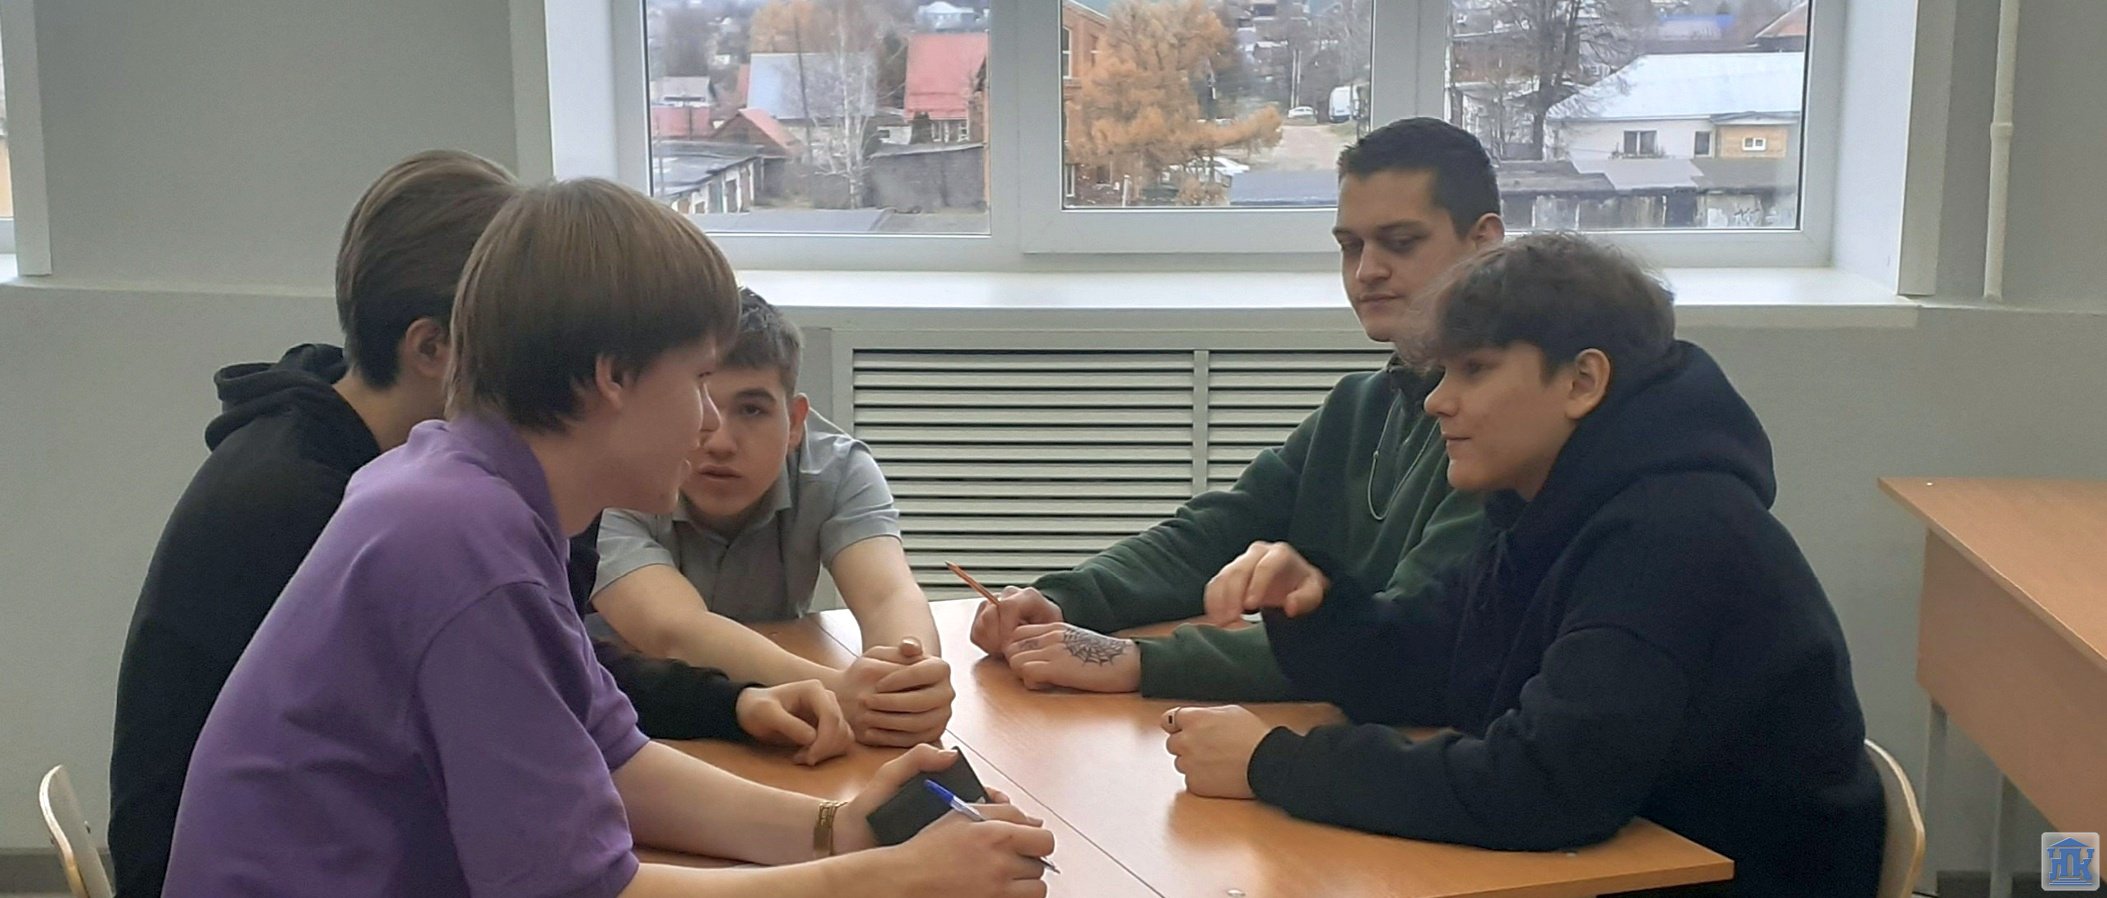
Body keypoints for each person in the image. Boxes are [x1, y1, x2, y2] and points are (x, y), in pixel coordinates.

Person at [164, 177, 1047, 897]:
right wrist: (879, 881)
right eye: (697, 379)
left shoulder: (471, 491)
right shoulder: (461, 538)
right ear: (613, 377)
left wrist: (834, 828)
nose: (708, 421)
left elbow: (616, 759)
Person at [1165, 233, 1884, 898]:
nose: (1438, 401)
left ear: (1582, 382)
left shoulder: (1674, 534)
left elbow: (1543, 787)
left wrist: (1275, 764)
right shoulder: (1549, 505)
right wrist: (1314, 605)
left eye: (1474, 370)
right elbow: (1428, 667)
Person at [972, 118, 1496, 701]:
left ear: (1483, 242)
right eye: (1351, 246)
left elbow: (1402, 638)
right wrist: (1064, 600)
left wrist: (1142, 661)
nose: (1367, 269)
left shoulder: (1510, 428)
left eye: (1400, 242)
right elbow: (1213, 533)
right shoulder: (1360, 404)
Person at [592, 289, 952, 746]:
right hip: (638, 721)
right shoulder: (616, 476)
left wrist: (908, 685)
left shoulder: (836, 468)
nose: (720, 441)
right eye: (699, 402)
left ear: (796, 421)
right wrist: (838, 691)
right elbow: (674, 631)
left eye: (752, 410)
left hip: (776, 725)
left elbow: (888, 595)